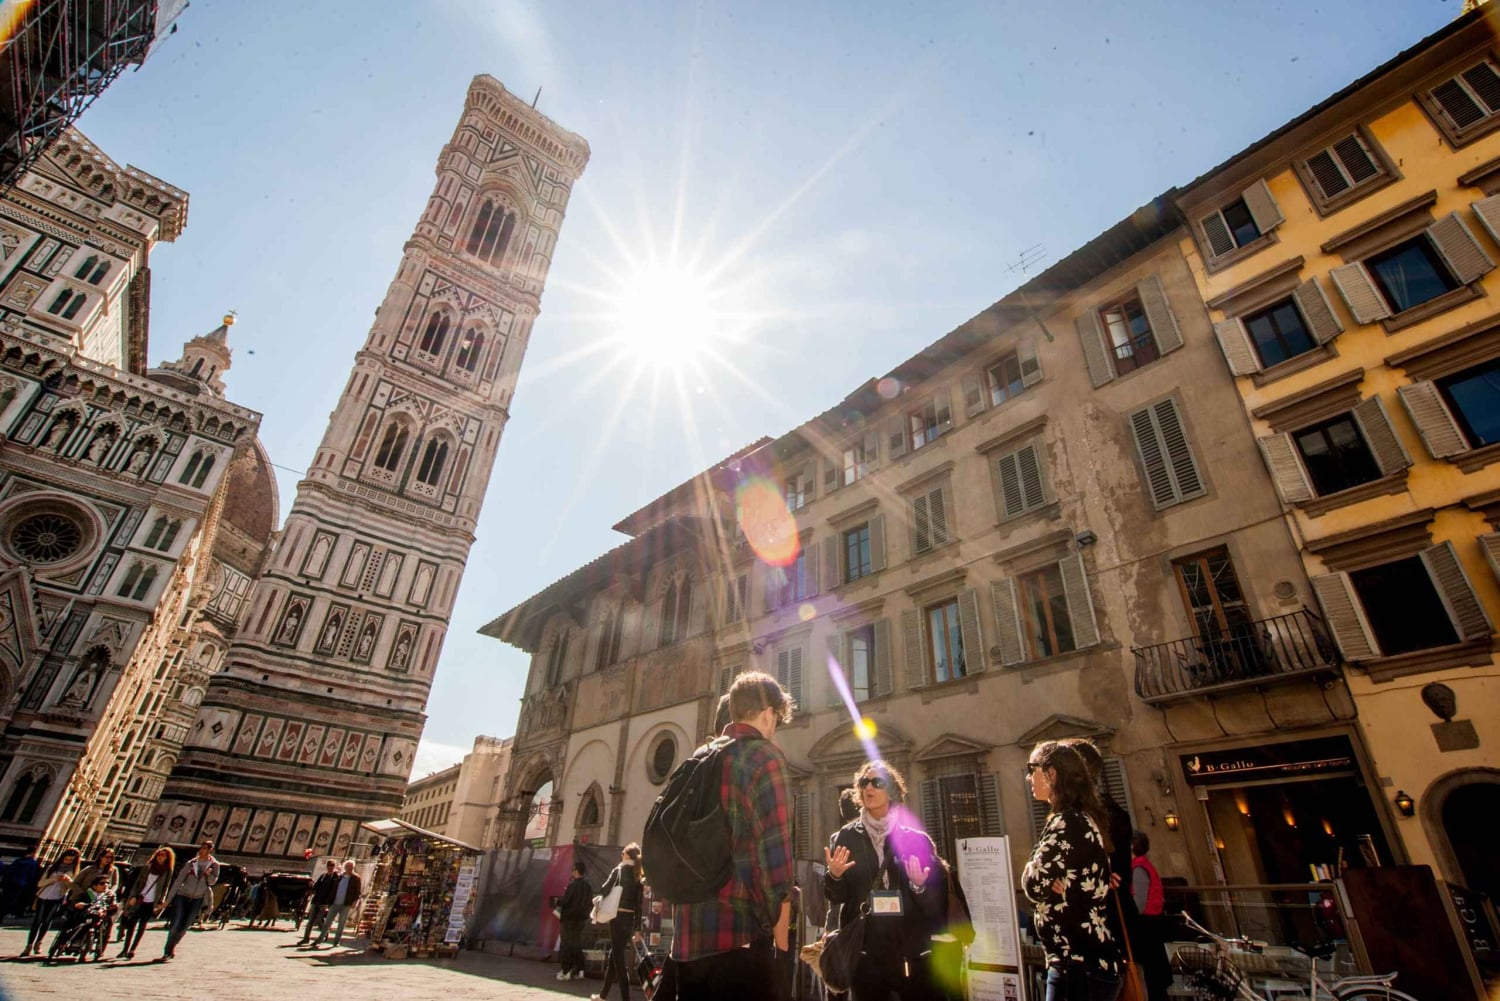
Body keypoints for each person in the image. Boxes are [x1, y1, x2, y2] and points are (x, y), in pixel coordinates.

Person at [667, 670, 796, 1001]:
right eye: (777, 719)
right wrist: (781, 941)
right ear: (767, 714)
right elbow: (776, 858)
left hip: (687, 940)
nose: (775, 728)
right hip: (739, 936)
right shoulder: (765, 757)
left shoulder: (697, 759)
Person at [824, 761, 951, 1001]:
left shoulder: (915, 839)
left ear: (891, 790)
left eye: (877, 782)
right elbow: (836, 896)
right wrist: (835, 876)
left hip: (911, 953)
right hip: (865, 954)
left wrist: (919, 886)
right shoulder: (847, 837)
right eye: (864, 782)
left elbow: (936, 905)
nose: (868, 787)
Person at [1022, 740, 1122, 1001]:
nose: (1028, 777)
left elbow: (1033, 885)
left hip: (1078, 964)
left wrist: (1034, 871)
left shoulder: (1068, 822)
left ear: (1051, 773)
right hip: (1082, 963)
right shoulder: (1078, 818)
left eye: (1032, 769)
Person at [592, 844, 644, 1001]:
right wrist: (637, 928)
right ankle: (603, 995)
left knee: (618, 959)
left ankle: (625, 998)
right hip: (629, 919)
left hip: (616, 916)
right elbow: (638, 905)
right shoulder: (638, 874)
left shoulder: (619, 870)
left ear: (627, 856)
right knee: (614, 955)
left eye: (623, 853)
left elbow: (604, 889)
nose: (621, 856)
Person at [1129, 832, 1171, 1001]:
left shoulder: (1138, 868)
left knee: (1151, 973)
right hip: (1152, 924)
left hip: (1147, 926)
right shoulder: (1143, 865)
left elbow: (1139, 903)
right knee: (1153, 971)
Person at [161, 840, 219, 961]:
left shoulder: (214, 865)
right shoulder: (191, 863)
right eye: (201, 847)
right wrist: (168, 899)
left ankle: (172, 946)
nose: (201, 850)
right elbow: (178, 881)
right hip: (182, 895)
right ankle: (167, 951)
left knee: (185, 926)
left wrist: (208, 874)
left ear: (210, 850)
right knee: (176, 923)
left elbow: (212, 882)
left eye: (204, 848)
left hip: (198, 898)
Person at [116, 846, 174, 959]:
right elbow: (138, 883)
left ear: (167, 858)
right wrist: (133, 896)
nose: (160, 857)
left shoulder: (167, 870)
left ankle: (133, 949)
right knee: (132, 924)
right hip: (140, 899)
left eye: (163, 855)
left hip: (151, 901)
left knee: (142, 926)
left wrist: (161, 901)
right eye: (159, 854)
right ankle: (125, 949)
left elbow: (165, 887)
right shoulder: (148, 867)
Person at [21, 848, 80, 957]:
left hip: (57, 898)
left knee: (47, 921)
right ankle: (29, 945)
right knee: (37, 921)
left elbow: (72, 887)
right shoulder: (52, 868)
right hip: (43, 896)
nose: (67, 862)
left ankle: (39, 943)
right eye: (66, 859)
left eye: (70, 860)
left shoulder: (73, 872)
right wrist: (54, 879)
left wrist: (68, 881)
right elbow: (40, 883)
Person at [72, 848, 122, 958]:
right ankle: (76, 939)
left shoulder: (113, 870)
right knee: (79, 917)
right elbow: (76, 882)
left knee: (107, 920)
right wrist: (81, 893)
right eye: (106, 857)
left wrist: (111, 892)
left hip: (103, 899)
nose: (108, 860)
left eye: (111, 858)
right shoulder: (90, 869)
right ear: (100, 857)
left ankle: (100, 945)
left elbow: (115, 884)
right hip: (87, 897)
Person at [557, 860, 593, 981]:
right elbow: (590, 903)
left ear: (576, 871)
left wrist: (557, 901)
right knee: (577, 944)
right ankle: (580, 970)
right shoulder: (588, 887)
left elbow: (565, 901)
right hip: (580, 920)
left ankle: (566, 971)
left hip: (568, 919)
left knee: (566, 944)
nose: (572, 872)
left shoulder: (572, 886)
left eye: (572, 870)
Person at [314, 859, 362, 948]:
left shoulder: (356, 878)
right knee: (328, 922)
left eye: (351, 866)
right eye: (348, 866)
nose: (349, 868)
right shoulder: (340, 876)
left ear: (353, 867)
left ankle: (336, 941)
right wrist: (329, 901)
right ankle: (320, 939)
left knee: (341, 923)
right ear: (345, 867)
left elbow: (357, 891)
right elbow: (333, 889)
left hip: (346, 904)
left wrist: (354, 901)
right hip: (335, 902)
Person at [300, 860, 339, 946]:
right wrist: (312, 889)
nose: (330, 867)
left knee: (319, 919)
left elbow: (333, 891)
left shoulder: (335, 877)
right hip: (316, 900)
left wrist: (328, 903)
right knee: (310, 920)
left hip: (325, 902)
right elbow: (316, 887)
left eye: (332, 866)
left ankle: (324, 933)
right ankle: (306, 938)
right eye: (328, 866)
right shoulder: (323, 876)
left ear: (334, 867)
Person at [1, 846, 40, 919]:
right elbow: (32, 876)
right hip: (22, 884)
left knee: (7, 898)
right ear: (33, 853)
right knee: (17, 899)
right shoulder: (33, 863)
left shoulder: (17, 861)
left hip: (11, 882)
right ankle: (12, 913)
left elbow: (9, 871)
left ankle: (5, 911)